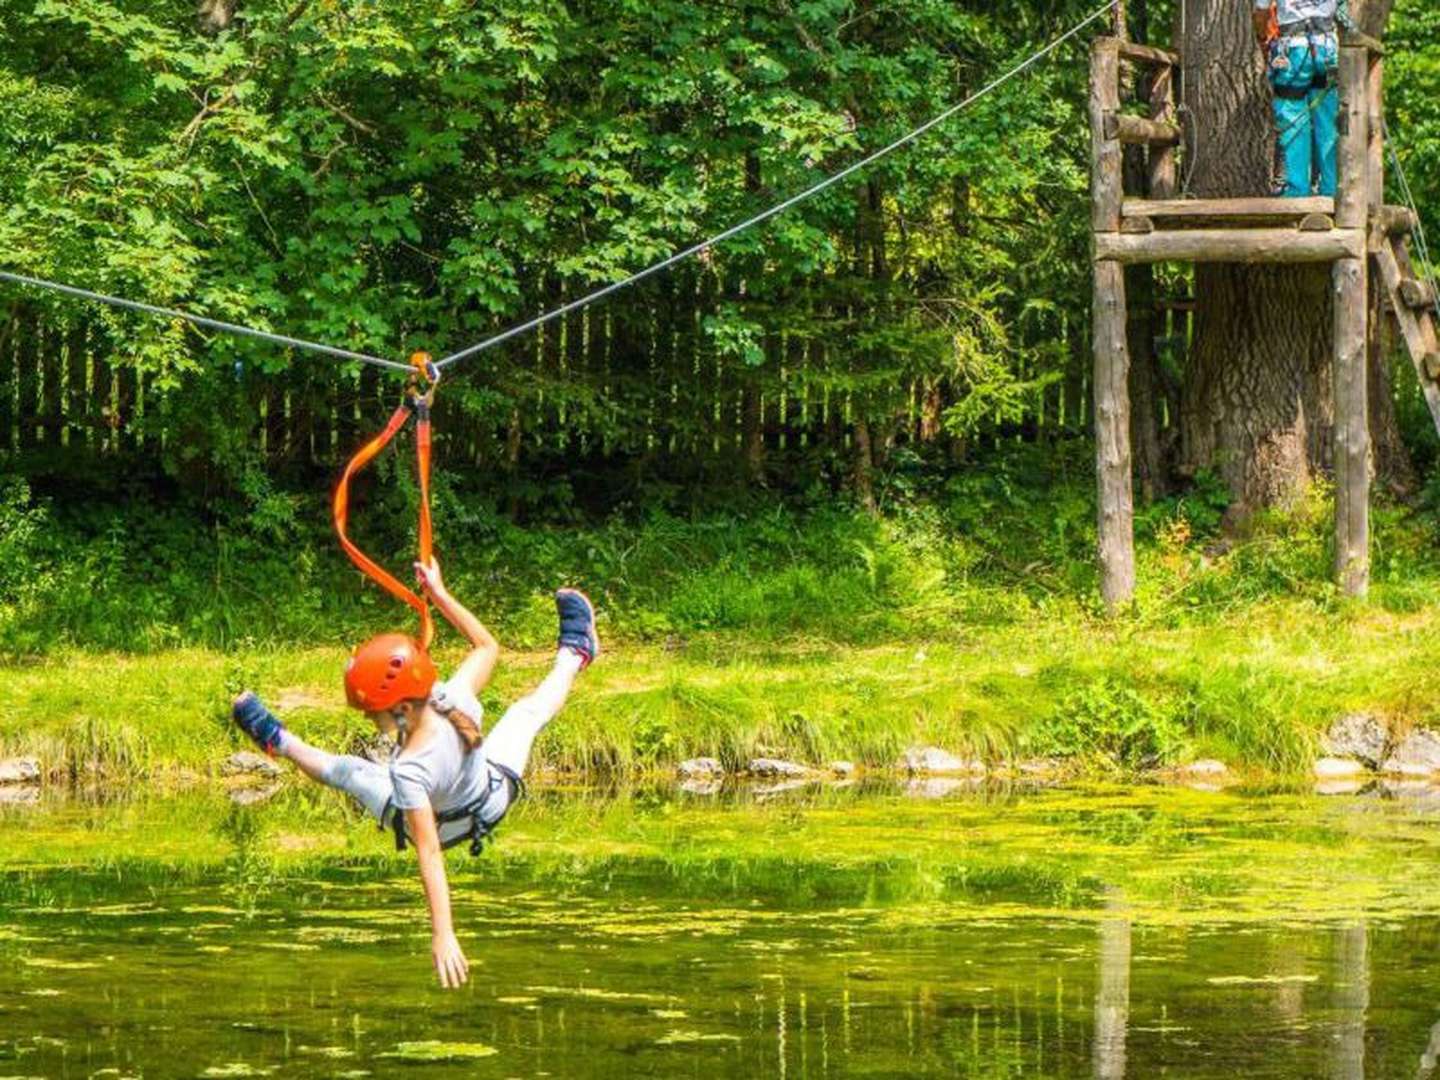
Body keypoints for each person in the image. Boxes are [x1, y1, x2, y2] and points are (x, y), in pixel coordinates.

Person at [230, 561, 599, 989]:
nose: (371, 721)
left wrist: (443, 934)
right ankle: (575, 653)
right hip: (488, 791)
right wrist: (440, 594)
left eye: (373, 715)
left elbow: (429, 853)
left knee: (348, 772)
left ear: (402, 709)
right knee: (527, 712)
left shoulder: (408, 771)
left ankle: (278, 739)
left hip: (461, 820)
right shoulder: (449, 698)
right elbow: (486, 648)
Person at [1253, 0, 1340, 198]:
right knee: (1328, 121)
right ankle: (1331, 191)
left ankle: (1297, 191)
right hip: (1327, 49)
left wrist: (1262, 38)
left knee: (1292, 117)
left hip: (1293, 49)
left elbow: (1261, 12)